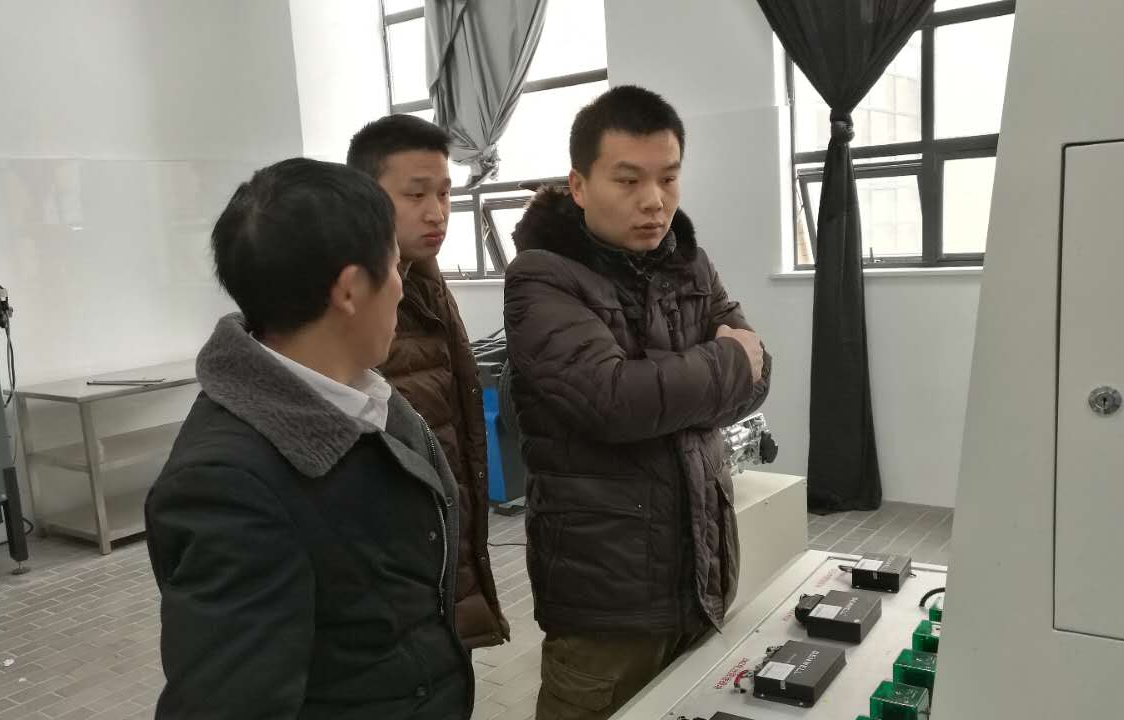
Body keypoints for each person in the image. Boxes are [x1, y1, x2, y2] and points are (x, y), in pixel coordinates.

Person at [145, 158, 472, 720]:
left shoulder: (363, 395)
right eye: (395, 266)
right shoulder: (227, 486)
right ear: (350, 290)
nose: (401, 287)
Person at [503, 85, 772, 720]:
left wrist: (698, 378)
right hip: (606, 599)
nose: (654, 201)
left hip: (700, 570)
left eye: (669, 178)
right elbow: (613, 401)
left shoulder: (690, 265)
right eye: (628, 181)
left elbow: (761, 376)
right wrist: (726, 364)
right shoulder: (541, 277)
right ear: (579, 185)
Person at [348, 115, 509, 650]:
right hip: (394, 577)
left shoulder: (425, 278)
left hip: (443, 545)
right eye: (415, 195)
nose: (437, 212)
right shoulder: (353, 305)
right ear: (364, 198)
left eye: (444, 193)